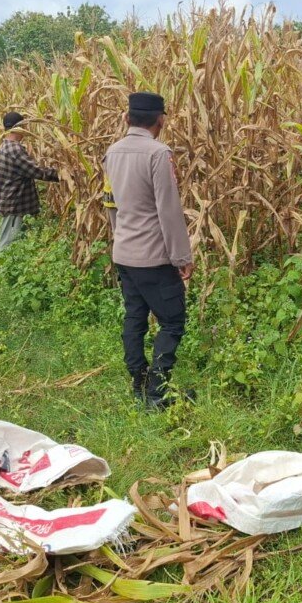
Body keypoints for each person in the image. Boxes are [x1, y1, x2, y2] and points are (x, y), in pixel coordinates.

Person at [102, 92, 194, 409]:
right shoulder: (158, 153)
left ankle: (138, 384)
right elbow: (168, 210)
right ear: (160, 120)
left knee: (135, 319)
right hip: (154, 257)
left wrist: (121, 238)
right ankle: (157, 392)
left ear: (127, 118)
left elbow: (110, 204)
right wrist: (182, 257)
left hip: (124, 253)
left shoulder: (112, 152)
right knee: (172, 322)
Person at [0, 111, 59, 254]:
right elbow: (35, 171)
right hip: (14, 205)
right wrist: (60, 175)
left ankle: (7, 272)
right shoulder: (14, 149)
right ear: (19, 127)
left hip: (11, 203)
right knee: (7, 246)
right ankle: (1, 274)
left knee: (15, 243)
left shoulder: (5, 146)